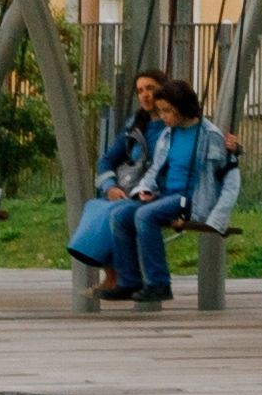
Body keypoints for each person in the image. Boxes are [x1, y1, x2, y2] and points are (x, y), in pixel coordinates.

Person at [65, 73, 216, 307]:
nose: (146, 95)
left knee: (131, 213)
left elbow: (205, 166)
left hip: (169, 196)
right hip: (136, 190)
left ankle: (136, 279)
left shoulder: (178, 130)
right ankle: (121, 276)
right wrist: (111, 186)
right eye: (140, 90)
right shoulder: (137, 124)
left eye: (151, 89)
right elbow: (108, 160)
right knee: (105, 208)